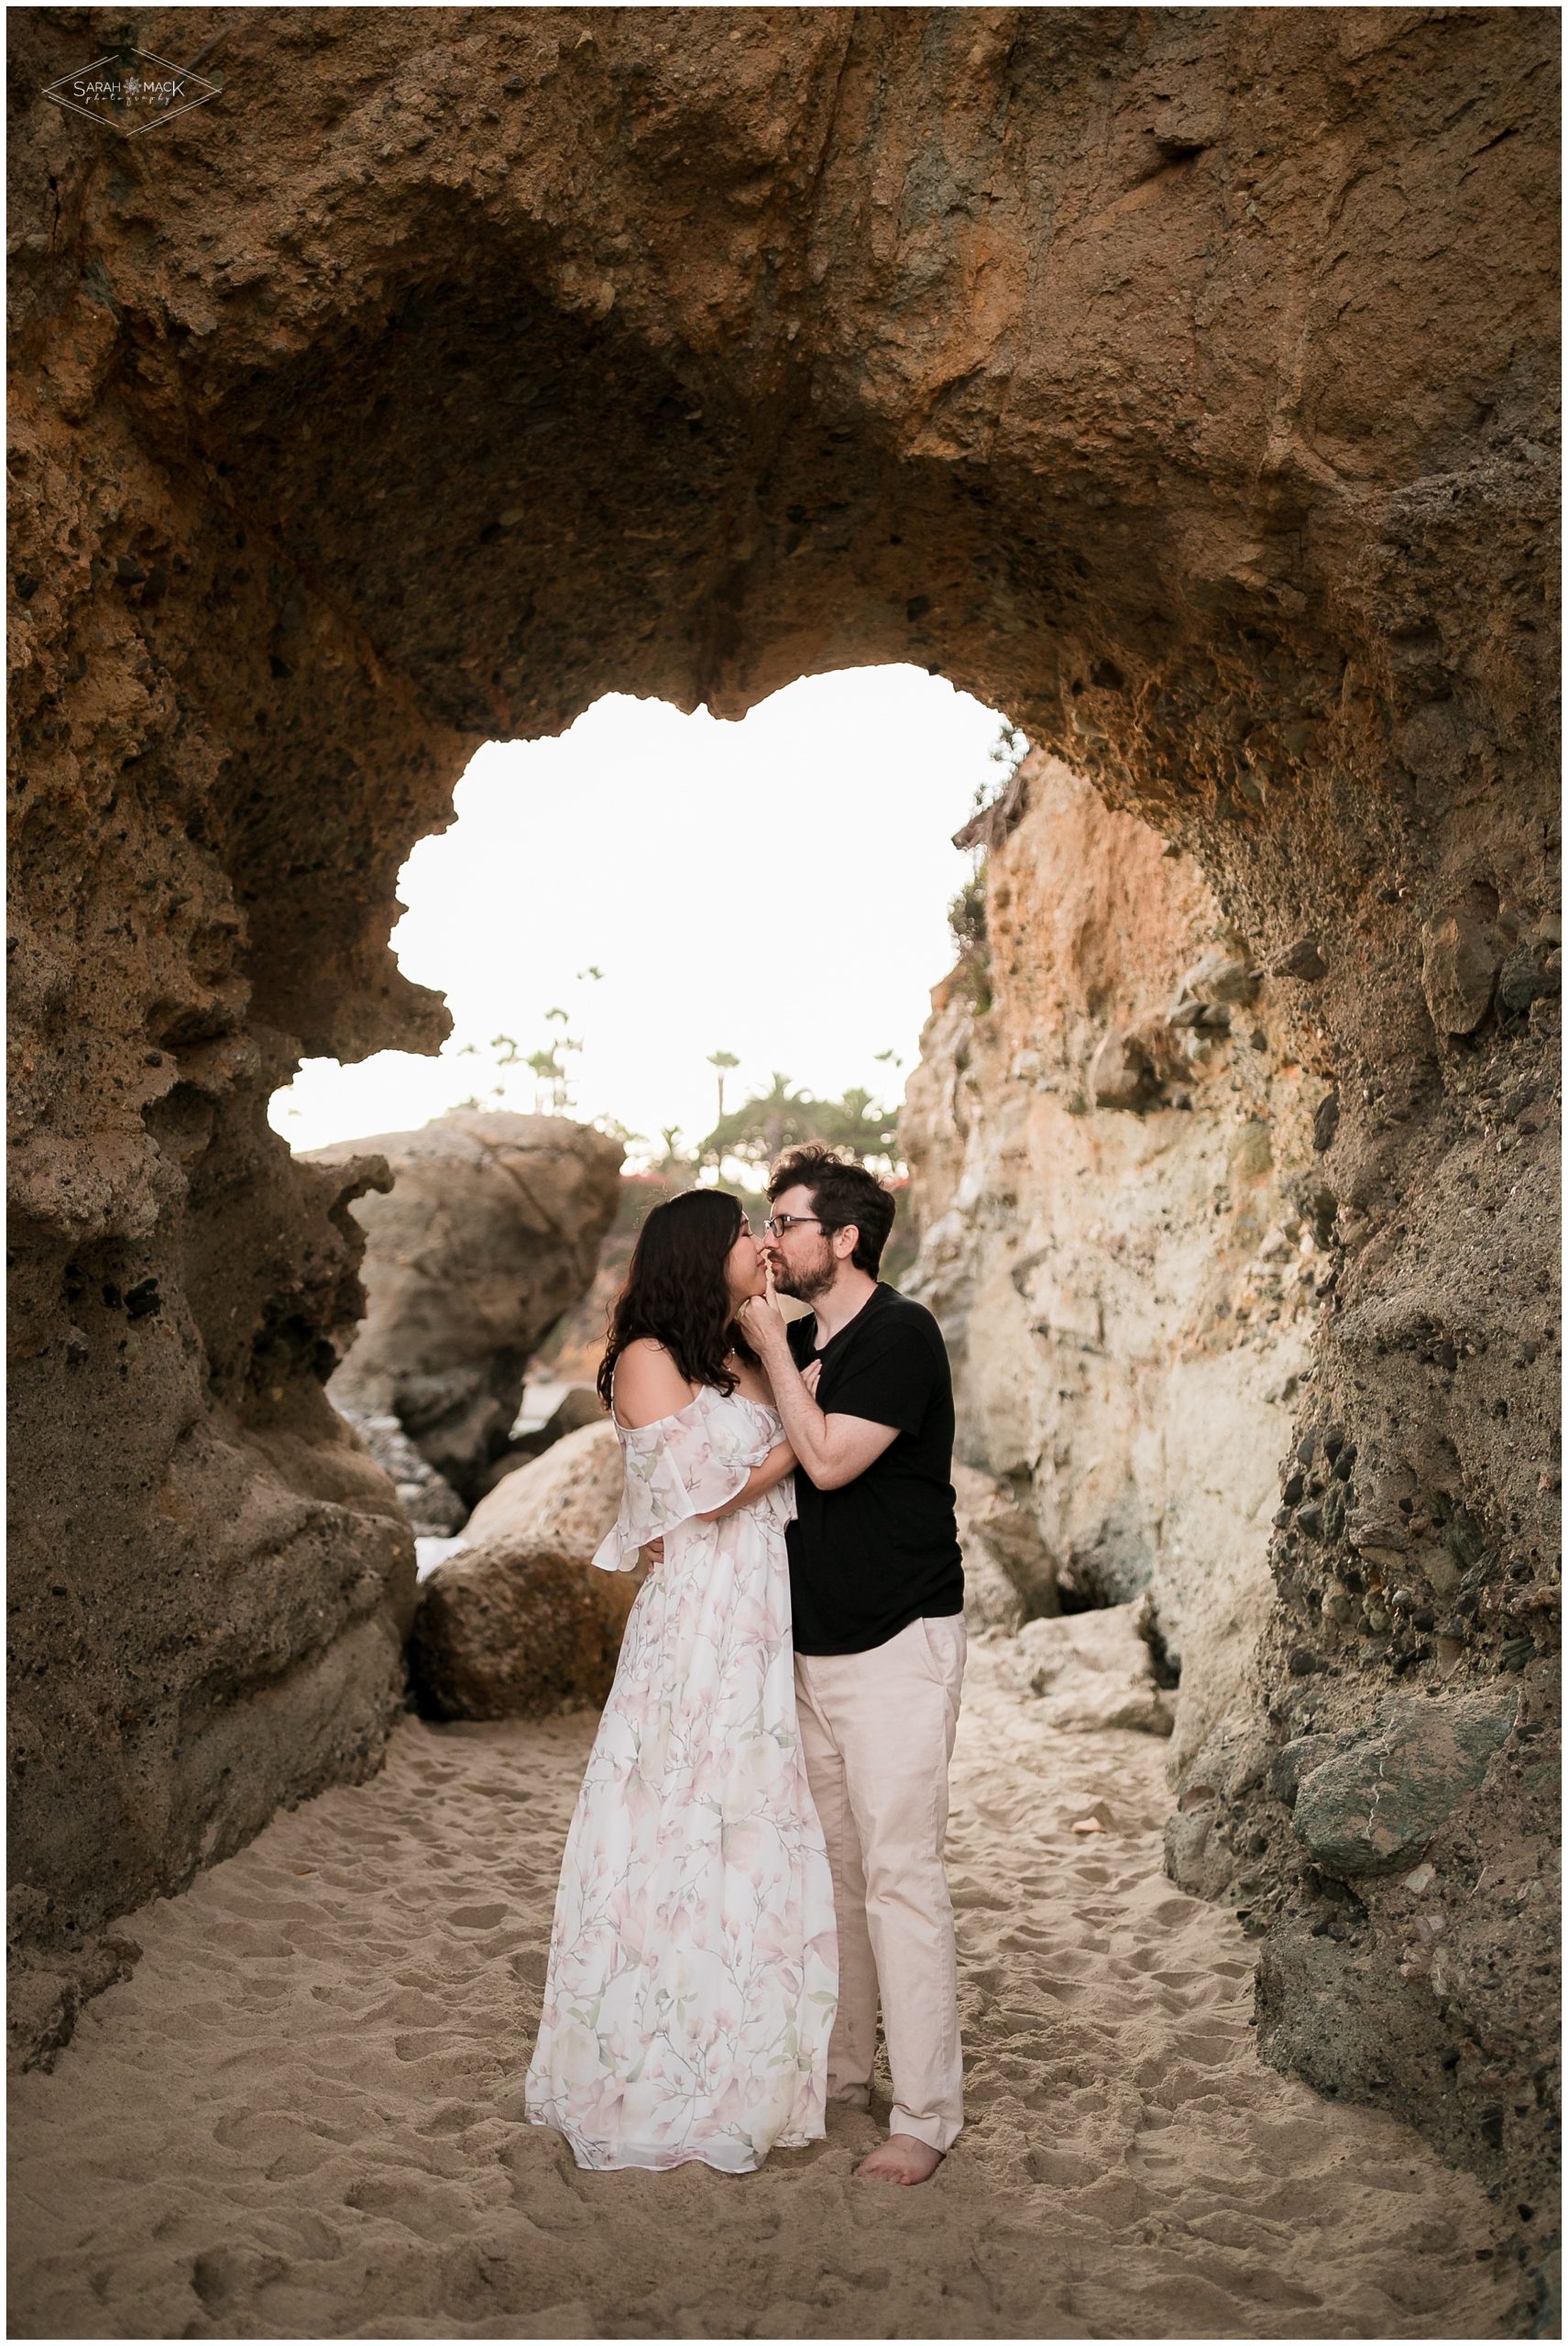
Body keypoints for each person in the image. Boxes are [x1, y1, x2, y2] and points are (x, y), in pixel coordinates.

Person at [523, 1189, 838, 2174]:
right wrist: (809, 1438)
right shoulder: (648, 1357)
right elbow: (706, 1492)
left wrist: (782, 1364)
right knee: (676, 1818)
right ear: (703, 1251)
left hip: (756, 1607)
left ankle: (742, 2054)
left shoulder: (741, 1351)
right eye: (747, 1232)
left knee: (749, 1822)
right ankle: (652, 2062)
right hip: (698, 1613)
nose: (762, 1245)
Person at [738, 1144, 967, 2189]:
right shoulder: (789, 1339)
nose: (772, 1238)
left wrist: (772, 1353)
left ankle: (924, 2117)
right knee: (833, 1881)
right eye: (769, 1223)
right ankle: (839, 2075)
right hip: (809, 1647)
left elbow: (827, 1459)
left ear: (842, 1238)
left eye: (786, 1222)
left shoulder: (899, 1334)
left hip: (897, 1640)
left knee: (900, 1878)